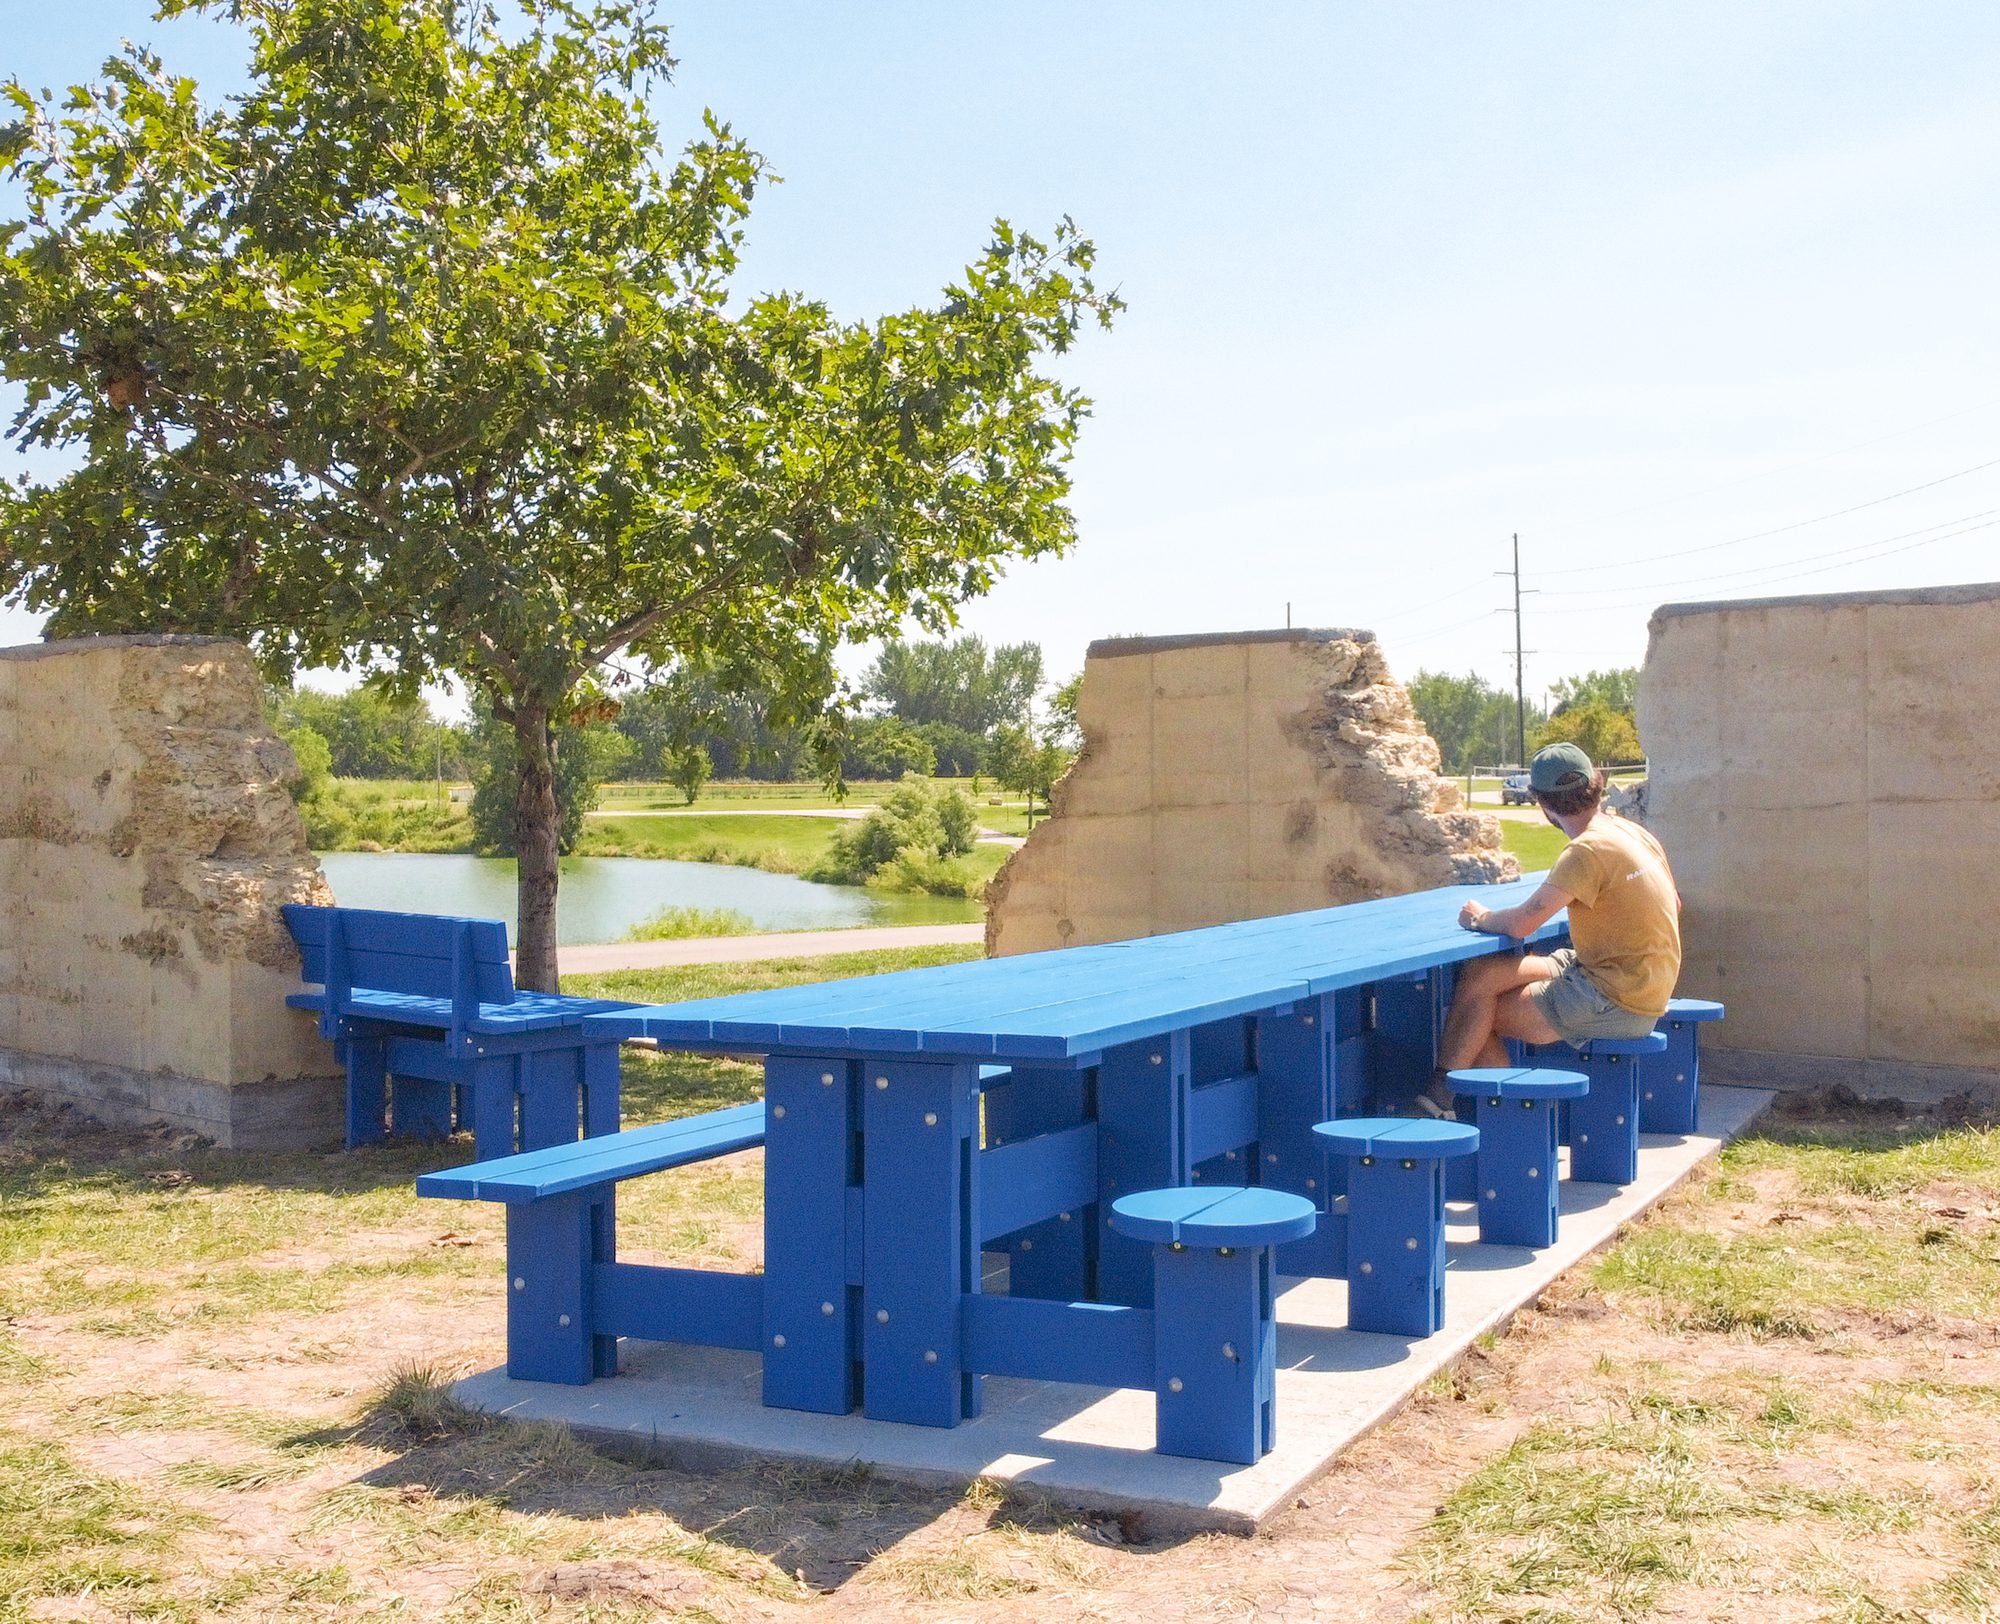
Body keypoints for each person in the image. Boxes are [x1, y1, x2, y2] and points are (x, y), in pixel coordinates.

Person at [1435, 741, 1681, 1078]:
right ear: (1597, 782)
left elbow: (1522, 924)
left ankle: (1470, 1107)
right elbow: (1676, 903)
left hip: (1619, 1000)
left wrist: (1480, 918)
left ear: (1542, 802)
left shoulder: (1585, 850)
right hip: (1639, 983)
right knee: (1483, 975)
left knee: (1477, 1018)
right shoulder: (1631, 832)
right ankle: (1442, 1095)